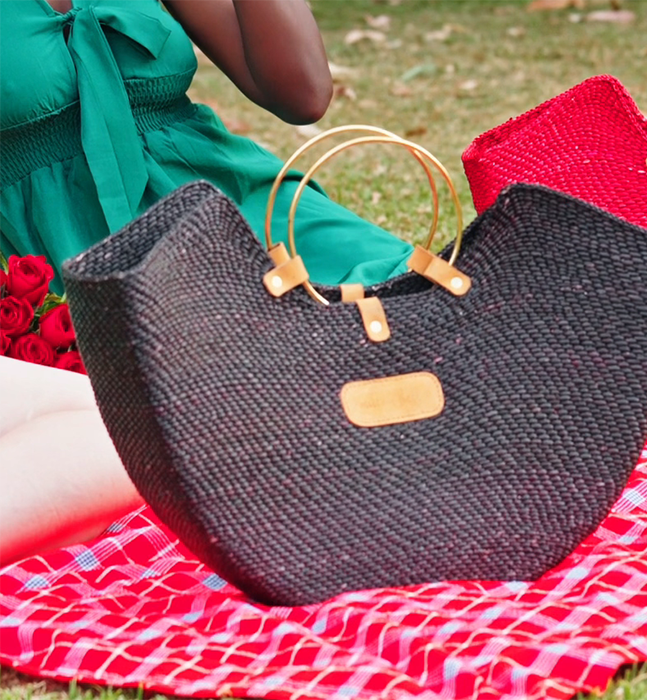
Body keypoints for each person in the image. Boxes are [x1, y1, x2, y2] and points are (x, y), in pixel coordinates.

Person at [0, 0, 414, 565]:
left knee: (415, 311)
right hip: (63, 240)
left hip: (223, 203)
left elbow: (301, 94)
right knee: (205, 406)